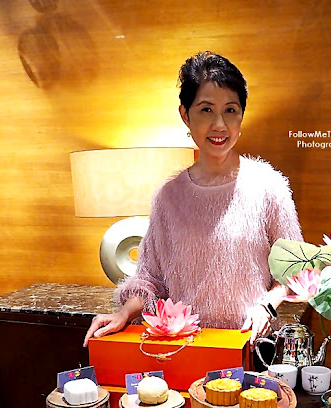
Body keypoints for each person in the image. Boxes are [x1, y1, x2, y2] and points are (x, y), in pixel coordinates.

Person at [84, 51, 303, 349]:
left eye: (230, 110)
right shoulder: (168, 197)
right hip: (184, 348)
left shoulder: (269, 186)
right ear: (185, 114)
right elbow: (150, 278)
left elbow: (294, 271)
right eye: (206, 110)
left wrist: (266, 307)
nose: (220, 125)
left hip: (250, 346)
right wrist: (122, 313)